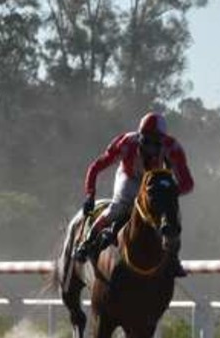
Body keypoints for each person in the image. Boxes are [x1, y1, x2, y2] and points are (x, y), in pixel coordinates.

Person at [73, 111, 195, 275]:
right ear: (139, 137)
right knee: (118, 208)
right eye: (147, 141)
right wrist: (90, 194)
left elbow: (187, 183)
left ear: (162, 141)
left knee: (172, 215)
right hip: (130, 178)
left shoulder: (173, 148)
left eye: (155, 143)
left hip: (155, 183)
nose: (150, 148)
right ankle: (87, 242)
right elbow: (96, 167)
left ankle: (173, 258)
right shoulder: (126, 143)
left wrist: (169, 194)